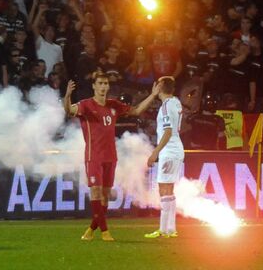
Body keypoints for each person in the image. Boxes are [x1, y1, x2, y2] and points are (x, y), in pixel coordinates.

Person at [64, 71, 160, 241]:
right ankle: (105, 231)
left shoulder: (113, 105)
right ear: (94, 86)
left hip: (111, 157)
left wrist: (153, 95)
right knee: (96, 192)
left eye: (105, 84)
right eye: (100, 83)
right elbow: (70, 111)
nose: (103, 87)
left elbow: (136, 111)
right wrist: (67, 96)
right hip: (93, 157)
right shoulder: (86, 105)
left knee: (106, 196)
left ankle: (91, 230)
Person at [145, 77, 185, 238]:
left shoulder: (166, 107)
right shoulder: (176, 102)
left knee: (163, 188)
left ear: (160, 87)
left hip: (169, 150)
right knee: (169, 189)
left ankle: (164, 229)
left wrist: (155, 152)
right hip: (176, 149)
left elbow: (168, 131)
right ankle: (170, 229)